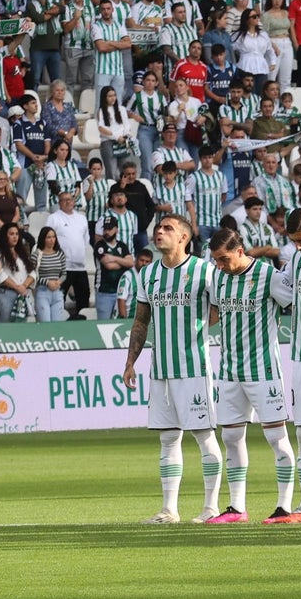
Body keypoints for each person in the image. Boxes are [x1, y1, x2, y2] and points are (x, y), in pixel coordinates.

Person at [122, 215, 222, 524]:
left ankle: (210, 508)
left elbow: (220, 310)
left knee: (204, 438)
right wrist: (130, 361)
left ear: (183, 238)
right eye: (158, 228)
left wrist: (194, 330)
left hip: (194, 369)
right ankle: (169, 509)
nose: (159, 232)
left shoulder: (204, 271)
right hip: (161, 371)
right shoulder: (148, 274)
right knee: (168, 440)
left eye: (167, 228)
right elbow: (141, 320)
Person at [202, 228, 297, 525]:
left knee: (276, 438)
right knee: (231, 436)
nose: (220, 265)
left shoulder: (268, 276)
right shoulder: (219, 277)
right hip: (230, 370)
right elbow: (216, 313)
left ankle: (284, 506)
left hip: (264, 370)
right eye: (216, 260)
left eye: (224, 258)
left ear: (241, 251)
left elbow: (295, 305)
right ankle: (236, 508)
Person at [46, 192, 90, 319]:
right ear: (59, 203)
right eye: (64, 200)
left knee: (84, 298)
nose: (67, 202)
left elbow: (85, 240)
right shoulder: (54, 218)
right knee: (59, 298)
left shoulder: (81, 218)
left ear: (74, 201)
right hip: (62, 267)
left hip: (80, 267)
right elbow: (48, 239)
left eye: (70, 199)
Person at [93, 216, 133, 320]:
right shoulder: (99, 246)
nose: (107, 232)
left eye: (110, 229)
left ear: (116, 229)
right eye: (105, 229)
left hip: (121, 292)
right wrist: (122, 263)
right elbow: (109, 265)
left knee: (121, 322)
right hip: (104, 292)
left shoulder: (122, 245)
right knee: (103, 324)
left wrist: (113, 258)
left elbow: (131, 263)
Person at [30, 226, 67, 322]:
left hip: (57, 292)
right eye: (48, 237)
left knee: (56, 324)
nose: (52, 240)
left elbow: (64, 273)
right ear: (43, 239)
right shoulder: (36, 255)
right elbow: (33, 275)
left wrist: (58, 282)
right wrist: (47, 282)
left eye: (53, 237)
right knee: (45, 323)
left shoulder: (60, 254)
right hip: (43, 291)